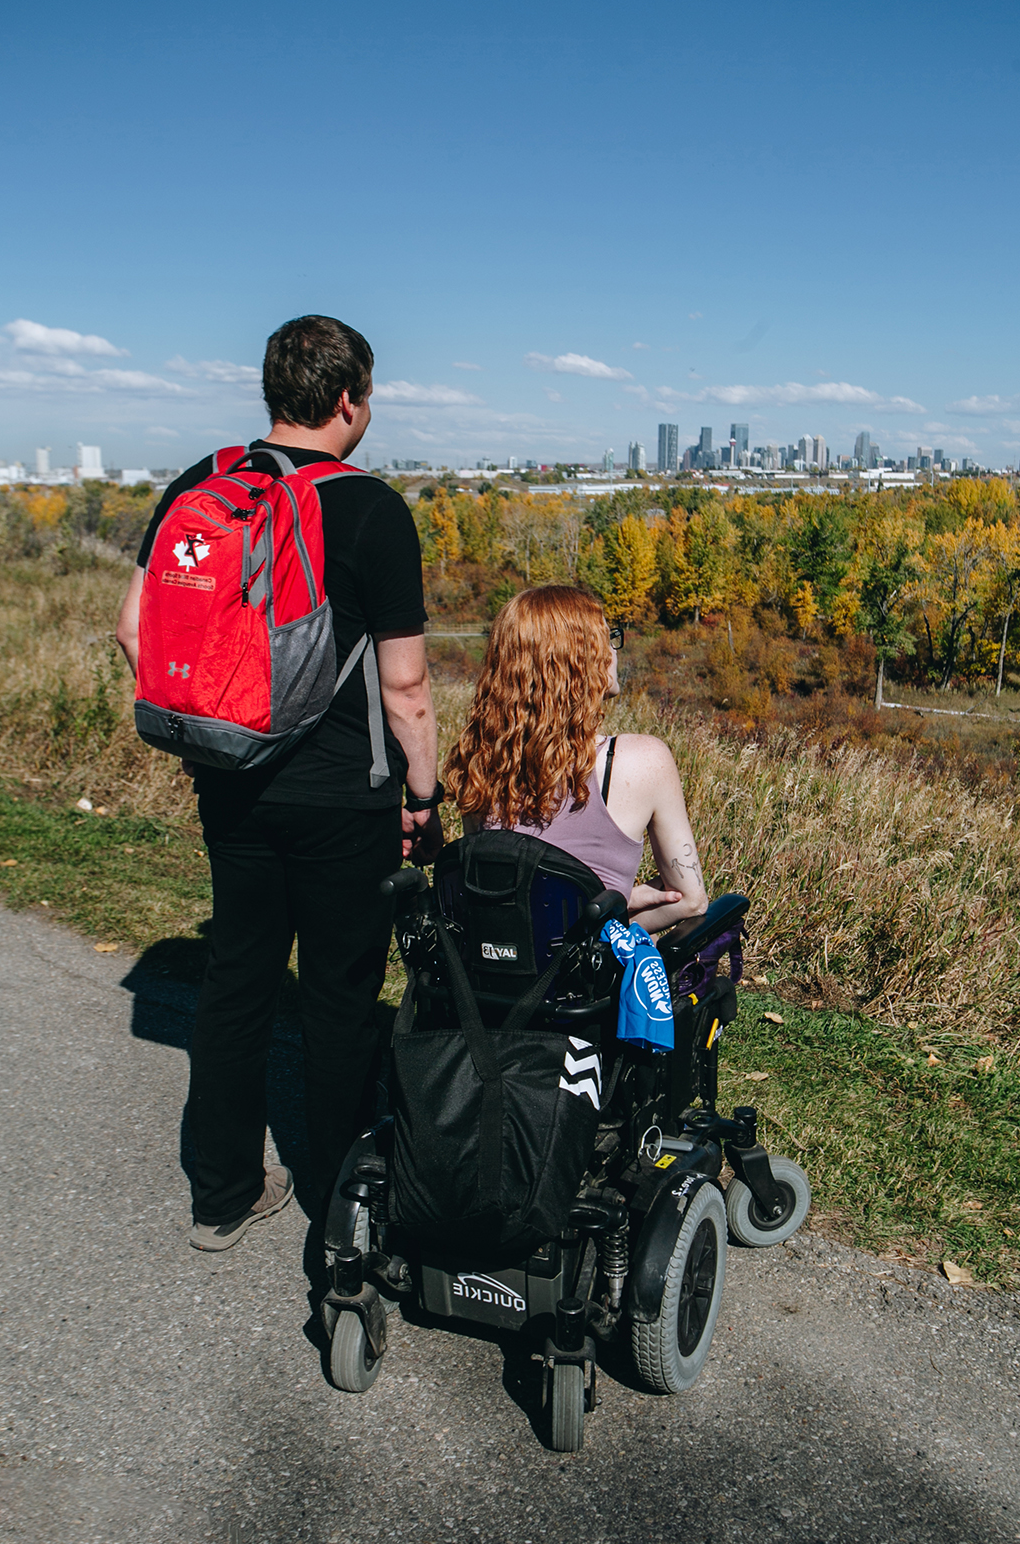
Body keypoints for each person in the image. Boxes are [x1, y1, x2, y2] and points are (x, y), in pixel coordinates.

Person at [116, 315, 444, 1251]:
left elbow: (135, 629)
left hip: (232, 784)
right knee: (341, 996)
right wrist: (423, 795)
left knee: (238, 982)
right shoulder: (373, 510)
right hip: (347, 798)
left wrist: (208, 736)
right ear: (348, 400)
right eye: (369, 396)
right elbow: (407, 686)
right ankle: (340, 1207)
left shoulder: (202, 484)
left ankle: (220, 1194)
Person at [443, 584, 708, 934]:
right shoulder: (642, 761)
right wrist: (611, 909)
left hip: (491, 978)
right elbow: (689, 899)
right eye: (606, 638)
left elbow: (500, 891)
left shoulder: (481, 763)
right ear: (580, 659)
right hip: (583, 983)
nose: (614, 652)